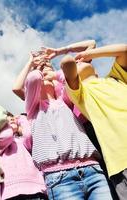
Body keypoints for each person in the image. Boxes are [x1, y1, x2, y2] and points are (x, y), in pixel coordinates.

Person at [12, 42, 113, 199]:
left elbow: (89, 46)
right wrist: (33, 62)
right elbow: (27, 82)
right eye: (42, 70)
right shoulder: (34, 108)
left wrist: (60, 54)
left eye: (49, 68)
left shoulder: (66, 99)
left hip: (92, 169)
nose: (45, 71)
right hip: (59, 177)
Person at [60, 42, 127, 199]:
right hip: (122, 160)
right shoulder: (80, 94)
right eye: (79, 64)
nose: (80, 62)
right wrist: (69, 55)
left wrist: (90, 54)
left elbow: (124, 49)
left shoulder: (116, 78)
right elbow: (67, 62)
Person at [0, 113, 47, 200]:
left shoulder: (23, 141)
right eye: (7, 119)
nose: (11, 119)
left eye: (12, 117)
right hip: (12, 193)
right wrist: (9, 127)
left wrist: (21, 118)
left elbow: (28, 134)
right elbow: (6, 135)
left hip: (35, 188)